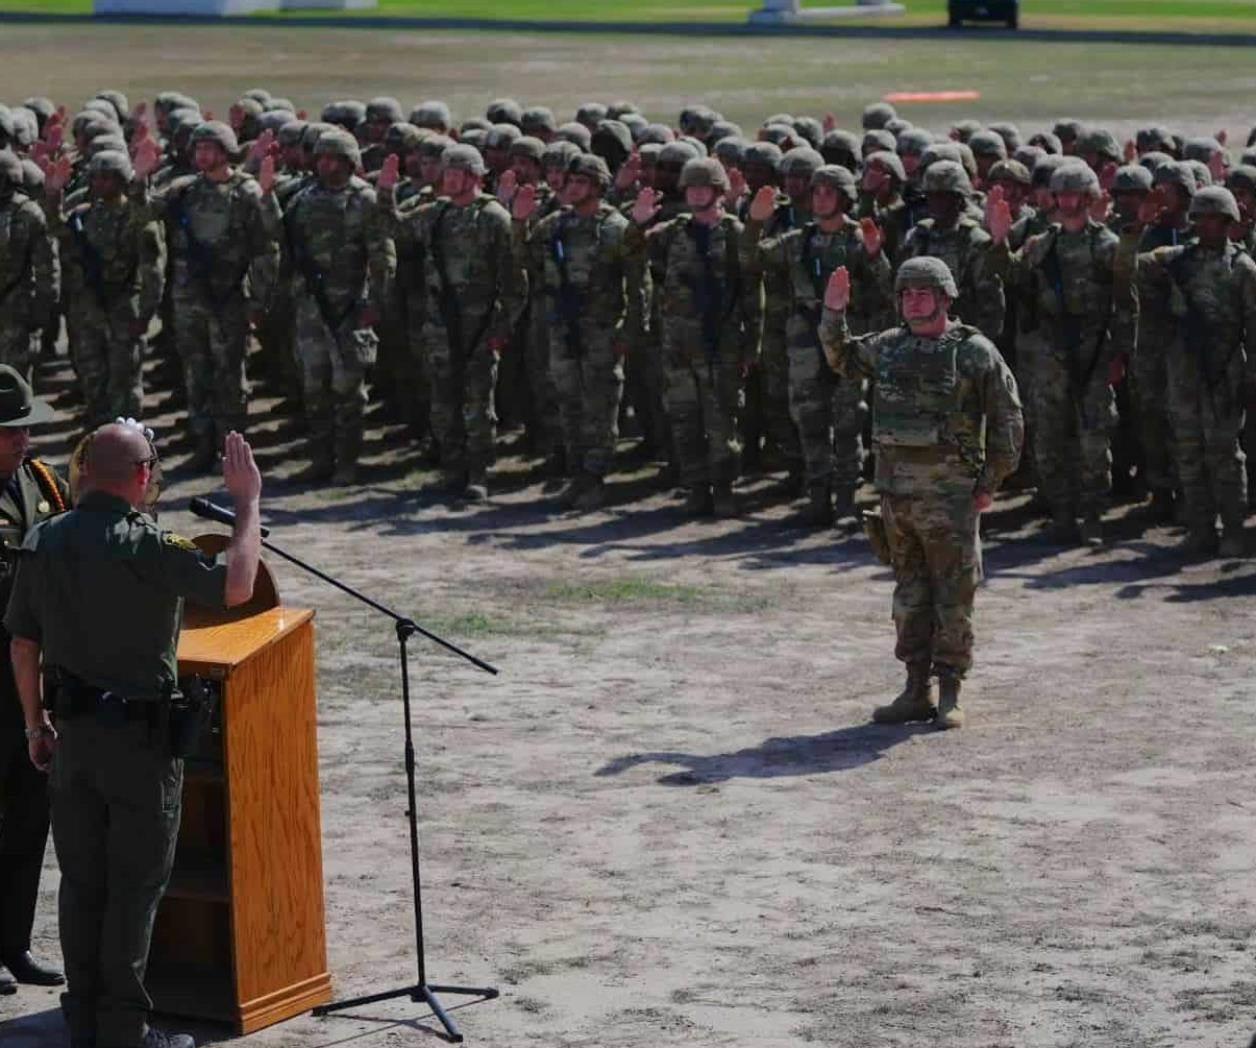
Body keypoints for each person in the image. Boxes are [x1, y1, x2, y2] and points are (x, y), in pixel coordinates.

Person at [5, 423, 262, 1048]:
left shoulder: (45, 538)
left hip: (72, 740)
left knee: (82, 883)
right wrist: (247, 504)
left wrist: (35, 724)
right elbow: (237, 585)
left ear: (84, 471)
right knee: (134, 887)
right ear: (144, 477)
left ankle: (84, 1017)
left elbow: (22, 642)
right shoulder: (150, 545)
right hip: (140, 749)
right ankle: (123, 1031)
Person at [819, 257, 1023, 728]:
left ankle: (951, 688)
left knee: (954, 595)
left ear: (945, 297)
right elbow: (842, 359)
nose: (913, 301)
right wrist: (833, 313)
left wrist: (989, 483)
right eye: (906, 294)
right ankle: (915, 688)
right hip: (897, 497)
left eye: (922, 293)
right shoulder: (889, 347)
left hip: (951, 498)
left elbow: (1009, 420)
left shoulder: (974, 352)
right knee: (910, 596)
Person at [0, 366, 68, 995]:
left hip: (31, 676)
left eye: (26, 429)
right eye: (11, 431)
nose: (24, 440)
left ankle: (13, 943)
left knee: (28, 814)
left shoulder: (43, 482)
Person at [278, 129, 395, 483]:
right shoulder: (302, 199)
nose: (326, 164)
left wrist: (376, 302)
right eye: (322, 158)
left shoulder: (365, 200)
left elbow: (382, 257)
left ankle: (347, 462)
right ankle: (321, 457)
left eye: (334, 159)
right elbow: (286, 248)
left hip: (351, 308)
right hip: (312, 307)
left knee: (349, 391)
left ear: (349, 163)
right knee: (315, 387)